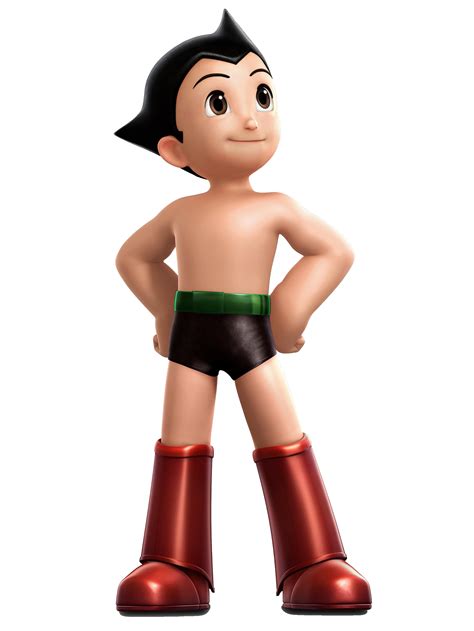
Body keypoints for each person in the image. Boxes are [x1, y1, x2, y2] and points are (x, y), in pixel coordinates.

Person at [114, 8, 372, 615]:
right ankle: (174, 563)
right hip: (191, 338)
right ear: (173, 148)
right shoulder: (181, 212)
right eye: (218, 103)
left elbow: (333, 251)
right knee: (180, 444)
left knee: (283, 440)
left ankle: (314, 559)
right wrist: (165, 314)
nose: (252, 117)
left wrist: (289, 310)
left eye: (262, 94)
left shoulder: (276, 205)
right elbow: (133, 258)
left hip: (254, 333)